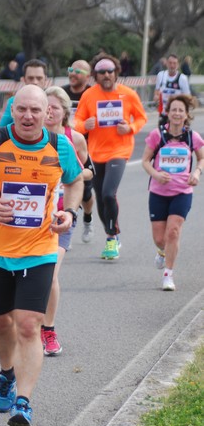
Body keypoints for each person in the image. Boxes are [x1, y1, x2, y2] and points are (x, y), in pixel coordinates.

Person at [0, 85, 84, 426]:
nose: (28, 116)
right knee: (2, 322)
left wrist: (70, 213)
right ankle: (6, 374)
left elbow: (75, 182)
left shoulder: (60, 145)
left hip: (40, 248)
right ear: (12, 110)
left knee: (29, 324)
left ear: (48, 113)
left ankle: (24, 402)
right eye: (22, 109)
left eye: (36, 110)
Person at [74, 53, 148, 260]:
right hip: (96, 151)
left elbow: (142, 117)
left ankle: (112, 237)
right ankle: (110, 235)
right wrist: (84, 125)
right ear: (95, 76)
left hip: (120, 151)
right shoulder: (89, 95)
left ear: (116, 73)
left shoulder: (128, 94)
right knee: (100, 199)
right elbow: (77, 120)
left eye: (109, 71)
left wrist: (131, 127)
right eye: (101, 72)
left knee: (108, 193)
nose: (106, 75)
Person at [42, 85, 93, 356]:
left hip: (62, 215)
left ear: (64, 112)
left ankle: (48, 331)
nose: (49, 112)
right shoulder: (30, 138)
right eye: (46, 107)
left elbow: (87, 172)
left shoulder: (75, 138)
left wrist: (68, 175)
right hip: (32, 218)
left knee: (50, 272)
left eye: (55, 108)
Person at [141, 95, 204, 291]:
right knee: (160, 239)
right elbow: (145, 161)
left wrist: (196, 172)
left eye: (181, 110)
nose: (177, 113)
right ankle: (161, 252)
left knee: (173, 232)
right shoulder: (156, 136)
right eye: (173, 110)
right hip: (158, 192)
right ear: (167, 113)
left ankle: (168, 275)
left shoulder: (192, 137)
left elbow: (201, 159)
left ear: (186, 115)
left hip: (182, 192)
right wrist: (156, 174)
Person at [62, 59, 95, 243]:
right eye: (70, 69)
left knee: (86, 194)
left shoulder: (91, 94)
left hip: (84, 147)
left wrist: (90, 125)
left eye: (78, 71)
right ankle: (66, 228)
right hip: (62, 144)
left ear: (88, 76)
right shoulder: (62, 93)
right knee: (62, 188)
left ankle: (88, 219)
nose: (73, 73)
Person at [0, 58, 48, 126]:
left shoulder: (53, 102)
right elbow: (1, 129)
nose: (35, 82)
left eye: (39, 78)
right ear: (24, 79)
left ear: (46, 80)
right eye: (30, 78)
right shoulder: (13, 101)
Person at [154, 54, 191, 127]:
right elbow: (157, 91)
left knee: (176, 137)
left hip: (177, 115)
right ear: (167, 63)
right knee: (162, 136)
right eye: (170, 63)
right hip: (164, 113)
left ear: (178, 65)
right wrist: (156, 96)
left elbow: (188, 97)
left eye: (174, 63)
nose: (172, 66)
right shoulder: (161, 75)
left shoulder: (182, 78)